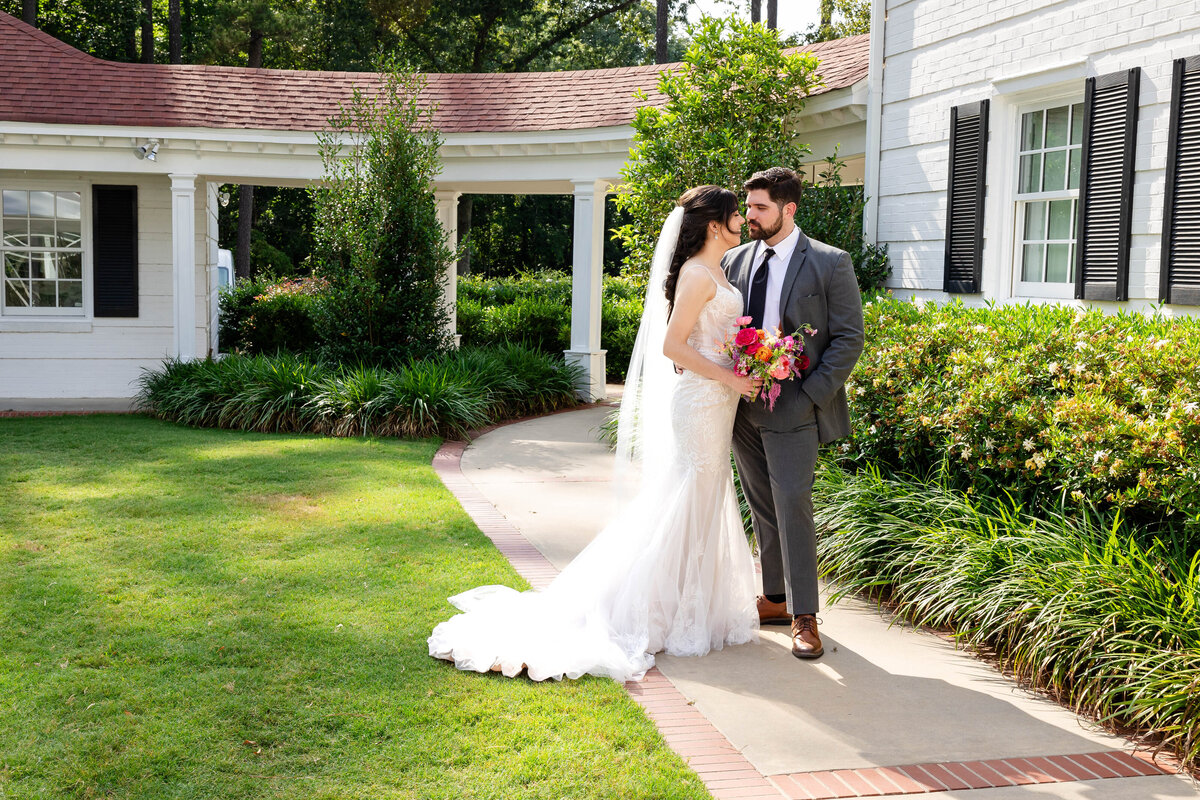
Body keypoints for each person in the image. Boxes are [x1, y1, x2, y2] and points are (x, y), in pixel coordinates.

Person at [428, 186, 761, 682]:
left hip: (717, 403)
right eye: (738, 215)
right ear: (716, 225)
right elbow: (673, 345)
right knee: (686, 497)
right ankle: (653, 610)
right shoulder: (696, 274)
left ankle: (686, 608)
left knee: (704, 497)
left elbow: (713, 338)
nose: (744, 222)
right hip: (700, 402)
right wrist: (733, 376)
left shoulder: (719, 271)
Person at [723, 167, 864, 660]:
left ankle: (806, 615)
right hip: (739, 405)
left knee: (793, 505)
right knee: (761, 506)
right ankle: (776, 598)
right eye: (749, 207)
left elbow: (849, 338)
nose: (750, 217)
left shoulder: (829, 262)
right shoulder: (734, 260)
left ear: (789, 209)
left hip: (794, 406)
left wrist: (809, 396)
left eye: (760, 208)